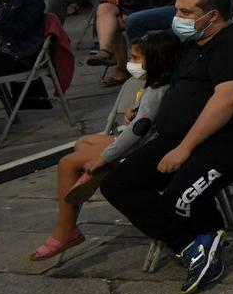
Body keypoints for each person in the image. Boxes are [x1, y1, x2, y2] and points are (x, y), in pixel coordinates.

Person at [98, 0, 233, 294]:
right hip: (187, 136)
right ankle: (190, 245)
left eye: (186, 12)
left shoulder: (232, 45)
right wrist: (143, 106)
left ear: (211, 16)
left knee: (180, 195)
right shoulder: (192, 45)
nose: (177, 17)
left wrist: (184, 149)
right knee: (117, 184)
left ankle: (206, 238)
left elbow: (225, 100)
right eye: (177, 10)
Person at [33, 30, 182, 260]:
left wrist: (105, 156)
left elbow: (137, 131)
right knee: (84, 141)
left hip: (142, 148)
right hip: (140, 142)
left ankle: (66, 230)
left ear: (154, 60)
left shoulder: (156, 90)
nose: (130, 64)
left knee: (67, 163)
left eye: (135, 58)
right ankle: (97, 171)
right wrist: (136, 107)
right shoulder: (157, 84)